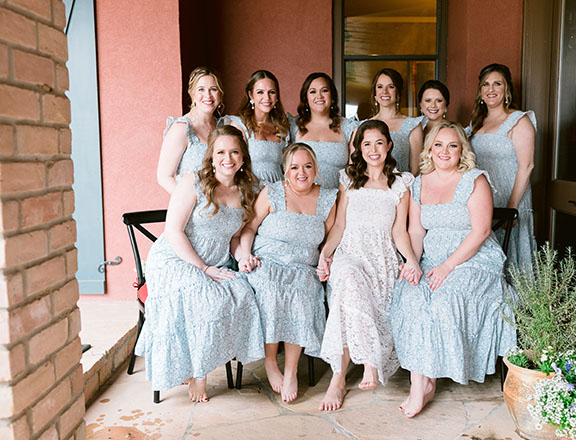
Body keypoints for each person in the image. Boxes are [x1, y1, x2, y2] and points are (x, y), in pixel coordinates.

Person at [390, 121, 516, 418]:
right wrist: (413, 263)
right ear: (429, 150)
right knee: (411, 293)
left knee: (445, 298)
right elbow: (417, 232)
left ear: (462, 151)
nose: (444, 151)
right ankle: (422, 379)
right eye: (438, 145)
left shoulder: (475, 180)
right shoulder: (419, 182)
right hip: (432, 258)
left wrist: (448, 266)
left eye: (452, 145)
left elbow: (481, 231)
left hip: (473, 259)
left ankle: (420, 386)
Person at [135, 125, 264, 403]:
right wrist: (203, 269)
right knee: (203, 296)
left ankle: (207, 361)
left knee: (243, 292)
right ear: (211, 155)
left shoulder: (246, 191)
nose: (227, 158)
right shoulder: (192, 181)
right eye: (220, 152)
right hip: (175, 258)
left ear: (243, 158)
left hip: (215, 261)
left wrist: (243, 257)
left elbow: (235, 237)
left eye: (234, 152)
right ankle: (198, 372)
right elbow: (173, 232)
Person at [316, 120, 421, 411]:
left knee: (357, 295)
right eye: (366, 144)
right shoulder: (347, 180)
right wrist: (325, 254)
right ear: (358, 149)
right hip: (350, 253)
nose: (373, 150)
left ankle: (344, 376)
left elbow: (400, 231)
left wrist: (411, 260)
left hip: (383, 258)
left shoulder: (402, 183)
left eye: (378, 143)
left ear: (389, 145)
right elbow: (339, 225)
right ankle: (358, 368)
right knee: (349, 279)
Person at [238, 143, 337, 404]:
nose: (301, 172)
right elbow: (249, 228)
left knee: (303, 294)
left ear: (316, 169)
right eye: (294, 167)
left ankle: (292, 370)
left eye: (307, 166)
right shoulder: (272, 193)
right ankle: (271, 361)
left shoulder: (328, 198)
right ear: (285, 171)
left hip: (304, 266)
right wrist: (245, 254)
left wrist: (326, 258)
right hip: (267, 261)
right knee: (270, 291)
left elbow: (330, 239)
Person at [467, 63, 537, 270]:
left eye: (497, 84)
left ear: (507, 89)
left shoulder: (519, 120)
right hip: (483, 199)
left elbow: (527, 166)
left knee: (511, 259)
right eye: (486, 84)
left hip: (510, 197)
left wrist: (512, 206)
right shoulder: (476, 123)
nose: (491, 89)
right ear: (480, 91)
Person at [157, 66, 225, 194]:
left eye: (213, 89)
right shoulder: (182, 128)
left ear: (220, 94)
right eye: (201, 90)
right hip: (192, 208)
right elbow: (164, 177)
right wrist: (188, 202)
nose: (208, 95)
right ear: (192, 94)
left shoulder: (222, 127)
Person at [290, 73, 357, 188]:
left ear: (332, 96)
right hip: (301, 201)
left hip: (338, 198)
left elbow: (353, 171)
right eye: (313, 92)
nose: (319, 96)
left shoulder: (348, 127)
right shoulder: (293, 126)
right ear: (306, 98)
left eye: (324, 90)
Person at [227, 70, 290, 186]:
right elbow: (236, 165)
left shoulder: (282, 129)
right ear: (251, 95)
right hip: (250, 189)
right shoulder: (240, 125)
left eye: (271, 92)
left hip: (279, 190)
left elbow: (285, 168)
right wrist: (263, 191)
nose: (267, 97)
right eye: (260, 92)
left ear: (277, 96)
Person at [356, 68, 423, 175]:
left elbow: (415, 169)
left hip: (401, 187)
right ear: (375, 93)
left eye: (391, 87)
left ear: (398, 92)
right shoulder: (363, 126)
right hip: (369, 188)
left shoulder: (412, 125)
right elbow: (356, 165)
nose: (385, 91)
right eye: (380, 87)